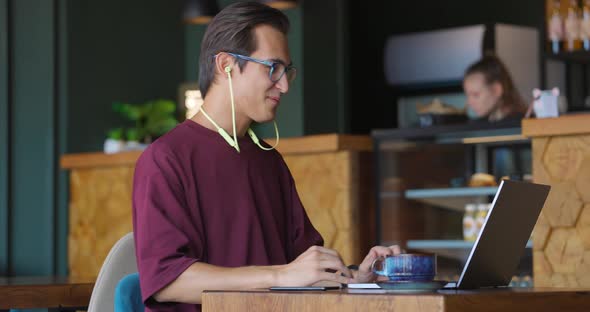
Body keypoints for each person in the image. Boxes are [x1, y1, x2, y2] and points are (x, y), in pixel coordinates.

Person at [132, 2, 400, 311]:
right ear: (226, 65)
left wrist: (356, 279)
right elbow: (168, 282)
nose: (284, 85)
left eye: (287, 71)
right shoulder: (165, 159)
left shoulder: (269, 160)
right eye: (272, 68)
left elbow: (302, 270)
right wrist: (281, 274)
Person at [463, 54, 528, 122]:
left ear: (497, 90)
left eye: (475, 95)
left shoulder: (519, 124)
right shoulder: (487, 122)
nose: (469, 103)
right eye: (467, 95)